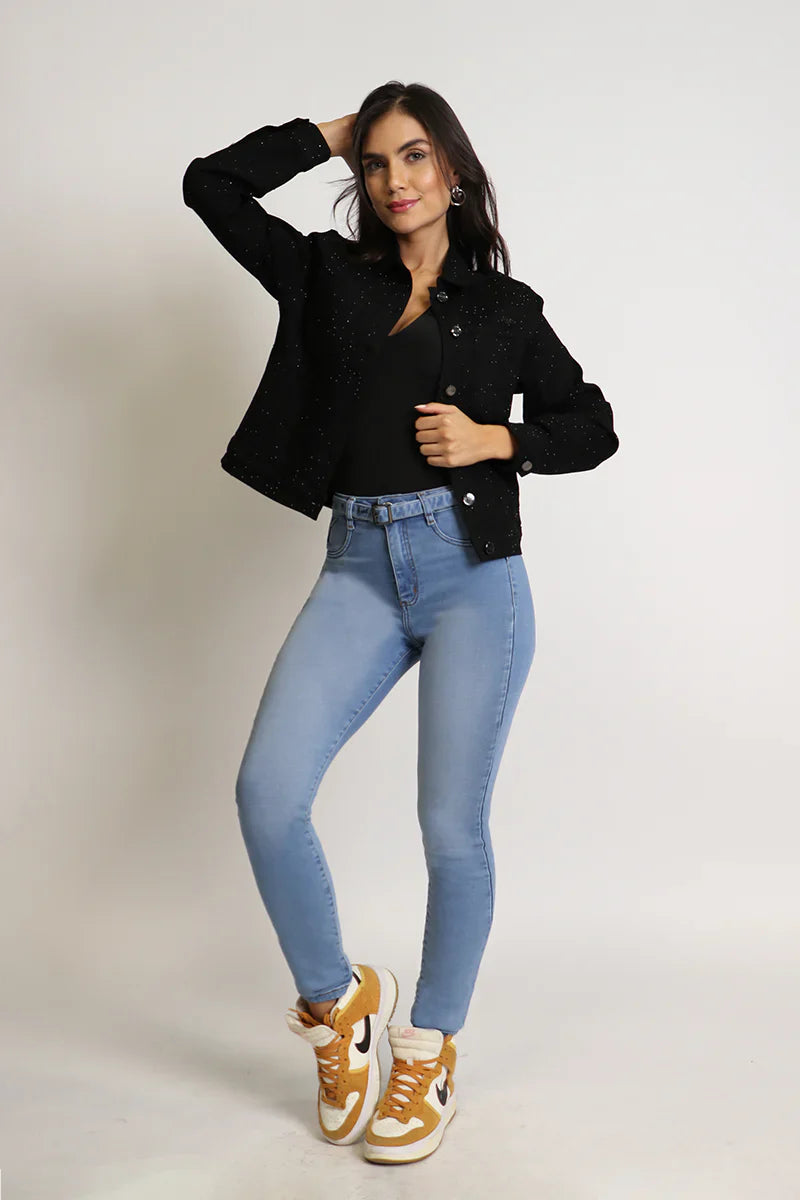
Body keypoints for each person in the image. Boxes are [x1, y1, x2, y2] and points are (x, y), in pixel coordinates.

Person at [183, 81, 618, 1165]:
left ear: (452, 170)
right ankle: (339, 1008)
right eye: (376, 163)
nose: (394, 180)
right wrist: (333, 130)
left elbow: (591, 424)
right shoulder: (328, 277)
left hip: (474, 578)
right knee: (266, 793)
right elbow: (211, 186)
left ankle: (428, 1047)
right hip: (358, 570)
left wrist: (497, 441)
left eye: (415, 155)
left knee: (449, 829)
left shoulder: (505, 309)